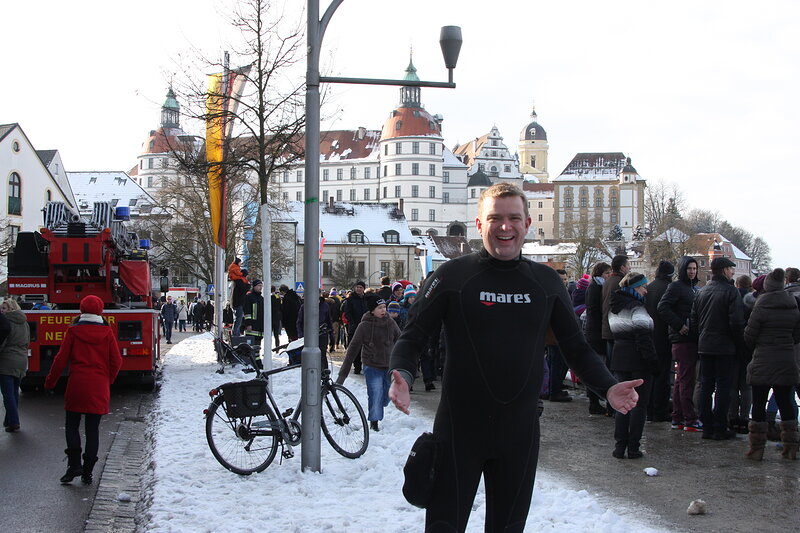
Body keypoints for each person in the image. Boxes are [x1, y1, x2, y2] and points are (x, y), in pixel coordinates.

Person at [388, 182, 642, 532]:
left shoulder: (546, 282)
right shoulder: (452, 276)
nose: (505, 226)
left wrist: (608, 388)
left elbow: (577, 348)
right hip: (459, 431)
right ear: (479, 224)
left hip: (518, 434)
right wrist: (400, 372)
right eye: (495, 218)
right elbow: (413, 335)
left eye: (513, 218)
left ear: (527, 225)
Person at [44, 295, 122, 484]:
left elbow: (60, 360)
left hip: (77, 384)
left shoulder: (73, 331)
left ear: (81, 310)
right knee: (92, 429)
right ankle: (88, 472)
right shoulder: (107, 332)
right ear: (100, 311)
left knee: (72, 426)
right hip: (98, 385)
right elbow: (117, 361)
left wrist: (50, 382)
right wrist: (108, 380)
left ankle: (73, 465)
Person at [743, 268, 800, 460]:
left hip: (763, 360)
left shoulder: (761, 306)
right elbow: (797, 335)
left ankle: (757, 449)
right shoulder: (793, 306)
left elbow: (749, 336)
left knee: (759, 403)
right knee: (786, 403)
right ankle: (790, 447)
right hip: (786, 360)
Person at [691, 256, 745, 441]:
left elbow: (694, 320)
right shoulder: (731, 292)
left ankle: (706, 427)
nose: (733, 272)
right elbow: (736, 323)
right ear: (724, 270)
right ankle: (720, 427)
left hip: (705, 345)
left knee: (705, 386)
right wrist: (741, 345)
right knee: (723, 387)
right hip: (724, 346)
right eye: (731, 269)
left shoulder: (701, 292)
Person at [609, 272, 658, 459]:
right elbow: (644, 338)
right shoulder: (637, 308)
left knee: (622, 404)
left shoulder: (614, 307)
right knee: (639, 405)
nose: (646, 290)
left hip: (620, 358)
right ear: (634, 288)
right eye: (643, 287)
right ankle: (634, 447)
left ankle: (619, 446)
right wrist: (653, 362)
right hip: (639, 360)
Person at [338, 296, 401, 432]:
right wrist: (342, 375)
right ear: (372, 310)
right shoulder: (364, 326)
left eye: (384, 307)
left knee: (387, 396)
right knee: (375, 393)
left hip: (389, 366)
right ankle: (374, 421)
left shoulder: (390, 323)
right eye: (380, 308)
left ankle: (379, 407)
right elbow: (353, 348)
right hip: (372, 365)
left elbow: (400, 339)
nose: (383, 310)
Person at [657, 256, 702, 432]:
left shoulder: (693, 288)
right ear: (683, 269)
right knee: (686, 380)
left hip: (689, 338)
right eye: (689, 268)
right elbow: (663, 307)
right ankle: (689, 418)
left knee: (680, 380)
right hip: (683, 339)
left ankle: (678, 417)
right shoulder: (676, 287)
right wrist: (679, 325)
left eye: (694, 268)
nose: (692, 271)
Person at [644, 260, 674, 422]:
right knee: (663, 377)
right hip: (663, 337)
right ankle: (659, 411)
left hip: (649, 335)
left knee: (650, 375)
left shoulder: (649, 288)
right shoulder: (669, 289)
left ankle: (649, 409)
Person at [585, 261, 612, 415]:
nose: (609, 276)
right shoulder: (597, 288)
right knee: (598, 366)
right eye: (607, 273)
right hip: (596, 333)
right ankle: (594, 402)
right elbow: (596, 311)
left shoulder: (595, 286)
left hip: (594, 331)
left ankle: (594, 401)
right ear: (600, 274)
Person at [0, 299, 29, 433]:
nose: (2, 311)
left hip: (7, 359)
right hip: (21, 359)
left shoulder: (6, 322)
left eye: (4, 308)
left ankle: (14, 421)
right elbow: (28, 340)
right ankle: (9, 420)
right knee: (14, 392)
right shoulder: (24, 322)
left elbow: (3, 342)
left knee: (7, 394)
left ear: (10, 309)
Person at [546, 269, 572, 402]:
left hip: (555, 336)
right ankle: (554, 391)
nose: (564, 281)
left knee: (555, 364)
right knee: (556, 364)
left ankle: (553, 389)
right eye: (561, 279)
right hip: (554, 336)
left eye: (565, 279)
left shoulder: (560, 291)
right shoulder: (553, 292)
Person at [602, 255, 631, 370]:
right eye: (628, 265)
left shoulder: (607, 281)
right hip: (616, 328)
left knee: (610, 362)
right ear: (622, 267)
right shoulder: (621, 282)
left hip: (607, 326)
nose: (630, 268)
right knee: (616, 365)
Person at [296, 295, 333, 369]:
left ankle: (324, 374)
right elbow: (299, 322)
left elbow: (328, 321)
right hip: (308, 336)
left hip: (322, 335)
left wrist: (331, 335)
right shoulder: (304, 306)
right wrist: (301, 335)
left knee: (322, 355)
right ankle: (310, 372)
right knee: (309, 356)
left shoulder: (325, 306)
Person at [343, 281, 369, 374]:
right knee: (355, 347)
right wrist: (352, 323)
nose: (359, 289)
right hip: (354, 327)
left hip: (365, 327)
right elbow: (347, 312)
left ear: (363, 289)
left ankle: (363, 364)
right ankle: (356, 366)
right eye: (357, 287)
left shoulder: (366, 299)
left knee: (364, 347)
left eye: (360, 287)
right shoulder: (351, 299)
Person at [231, 269, 250, 337]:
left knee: (237, 319)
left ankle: (236, 333)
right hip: (239, 303)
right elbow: (243, 290)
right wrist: (248, 285)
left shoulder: (237, 281)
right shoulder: (240, 281)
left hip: (237, 303)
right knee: (238, 320)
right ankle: (235, 334)